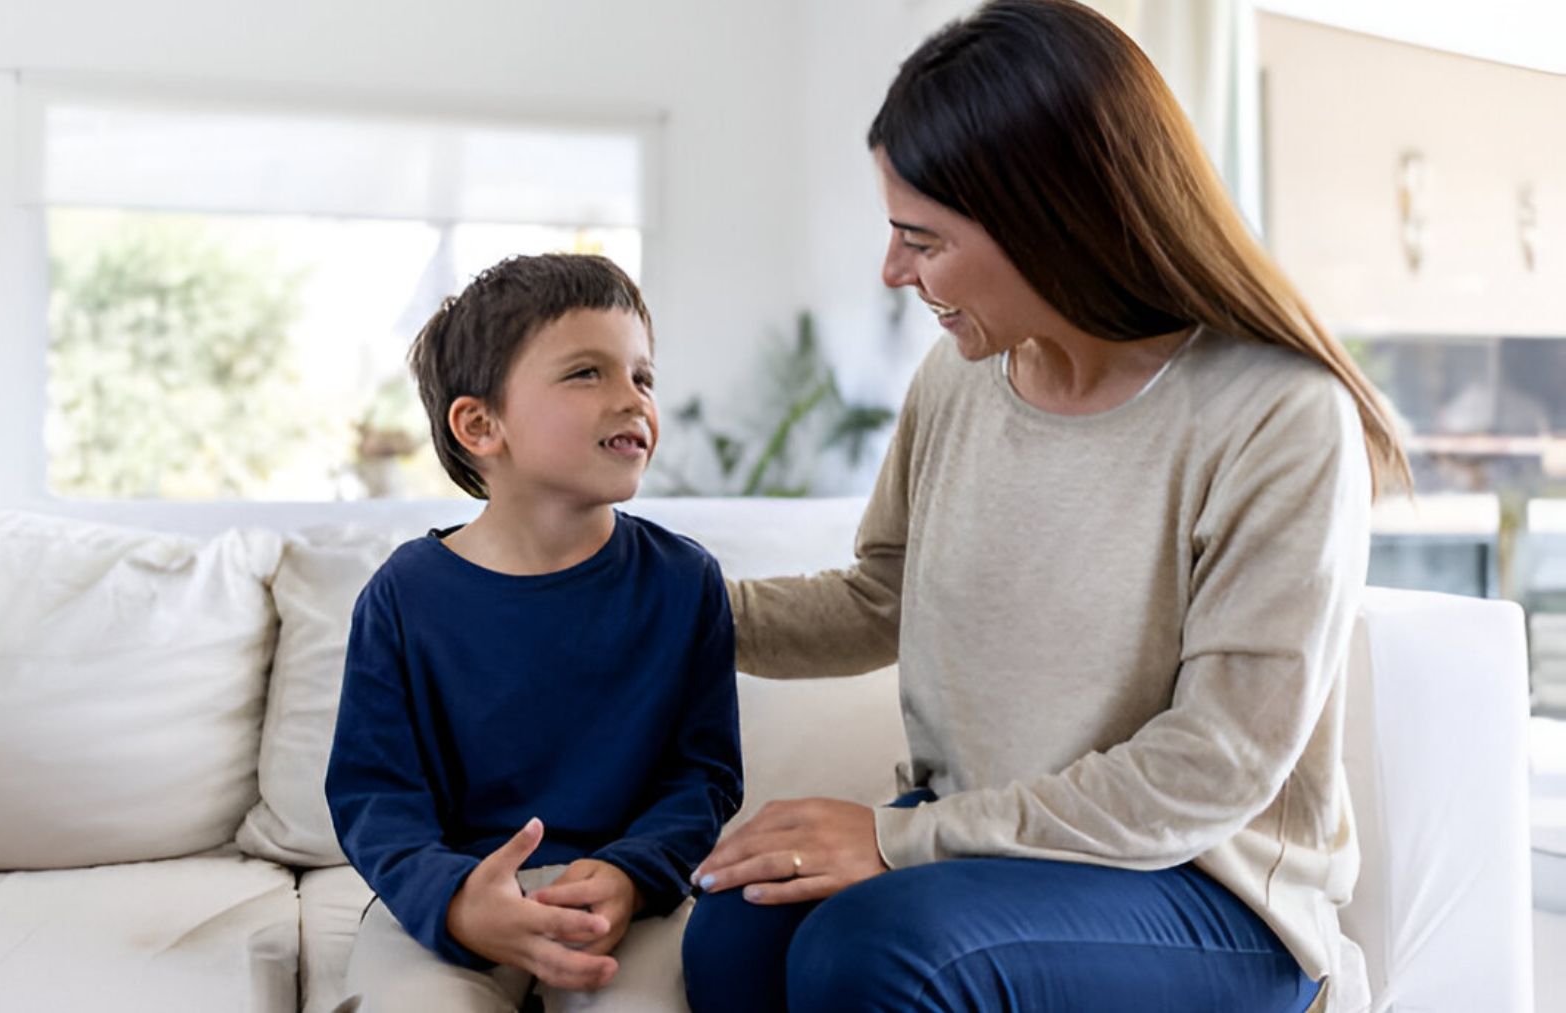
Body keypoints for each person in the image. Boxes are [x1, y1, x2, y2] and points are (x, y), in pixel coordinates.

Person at [679, 2, 1407, 1012]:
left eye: (919, 238)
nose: (893, 271)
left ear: (1048, 222)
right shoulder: (959, 377)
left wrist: (898, 837)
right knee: (740, 922)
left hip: (1204, 891)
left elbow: (1212, 765)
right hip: (996, 848)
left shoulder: (1278, 414)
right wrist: (666, 608)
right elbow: (881, 595)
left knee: (877, 953)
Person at [326, 253, 742, 1013]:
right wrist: (454, 901)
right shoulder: (403, 595)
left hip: (628, 903)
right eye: (587, 373)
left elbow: (702, 778)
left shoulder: (686, 583)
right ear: (481, 424)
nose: (632, 399)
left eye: (642, 376)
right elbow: (375, 797)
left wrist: (628, 874)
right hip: (448, 902)